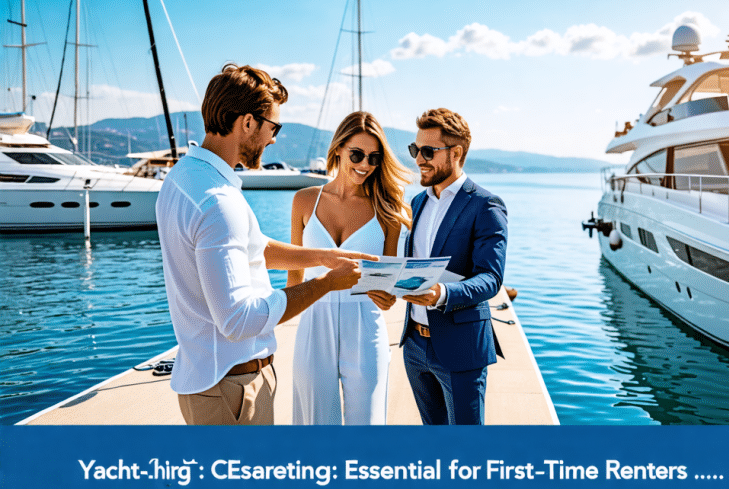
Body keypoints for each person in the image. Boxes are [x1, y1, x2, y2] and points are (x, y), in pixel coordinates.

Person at [156, 63, 374, 425]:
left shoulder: (182, 177)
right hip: (232, 387)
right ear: (247, 122)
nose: (274, 139)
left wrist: (324, 256)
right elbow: (239, 320)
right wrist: (325, 284)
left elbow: (252, 248)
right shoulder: (218, 202)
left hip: (211, 378)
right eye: (274, 127)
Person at [289, 111, 411, 425]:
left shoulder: (388, 209)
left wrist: (389, 296)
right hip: (315, 322)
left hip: (365, 325)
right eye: (357, 154)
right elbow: (294, 279)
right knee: (315, 431)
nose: (366, 165)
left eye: (374, 157)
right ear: (339, 149)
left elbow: (389, 281)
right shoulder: (304, 201)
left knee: (367, 430)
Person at [393, 107, 508, 425]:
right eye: (415, 150)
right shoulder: (417, 203)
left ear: (456, 152)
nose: (418, 159)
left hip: (460, 348)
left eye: (428, 151)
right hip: (415, 345)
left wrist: (442, 293)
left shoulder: (485, 205)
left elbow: (490, 278)